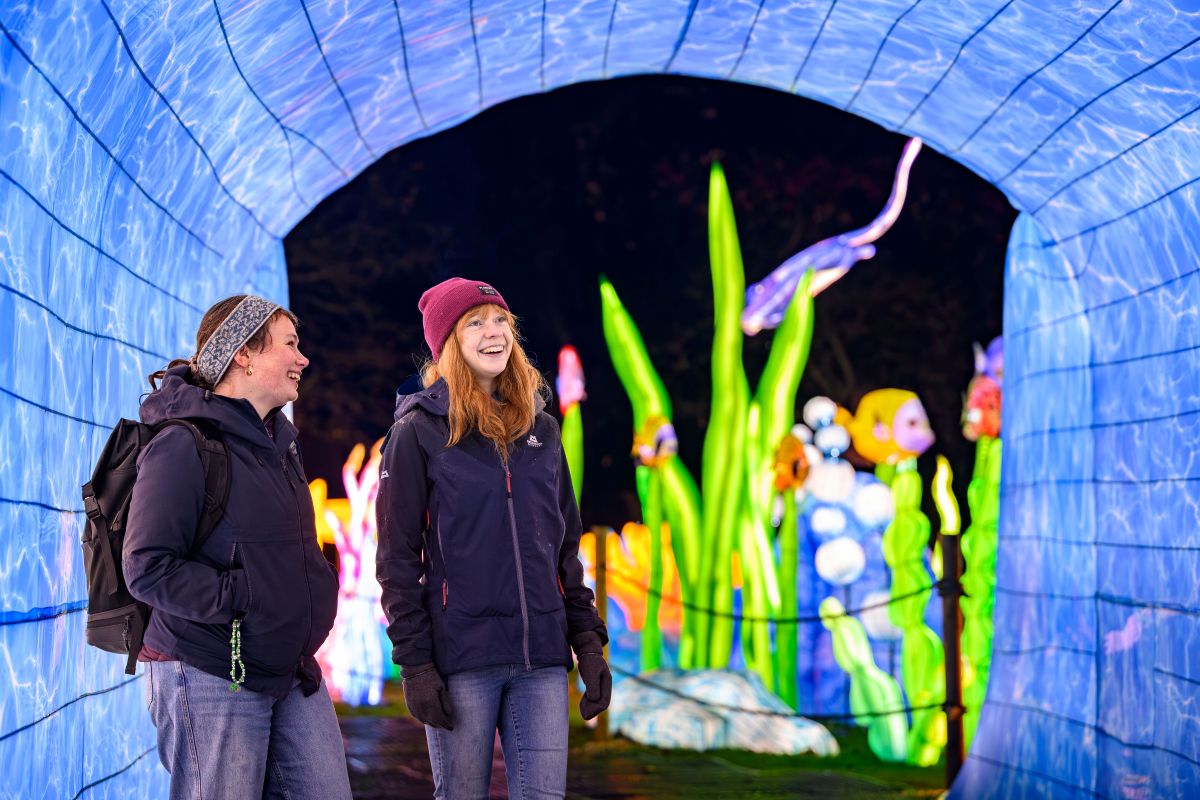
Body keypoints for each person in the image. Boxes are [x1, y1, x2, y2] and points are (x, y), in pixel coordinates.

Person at [376, 277, 611, 800]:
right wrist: (415, 664)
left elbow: (565, 548)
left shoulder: (543, 429)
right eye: (475, 323)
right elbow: (396, 560)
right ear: (448, 344)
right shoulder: (417, 433)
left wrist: (588, 644)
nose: (494, 332)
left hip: (542, 661)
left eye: (501, 319)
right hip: (462, 660)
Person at [123, 295, 351, 800]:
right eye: (290, 345)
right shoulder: (184, 442)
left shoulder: (279, 446)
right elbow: (147, 567)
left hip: (289, 668)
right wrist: (244, 597)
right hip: (209, 670)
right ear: (243, 355)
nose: (303, 358)